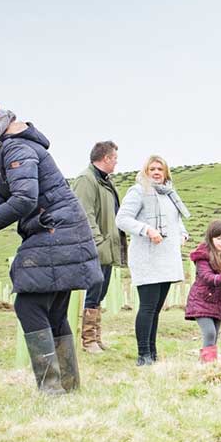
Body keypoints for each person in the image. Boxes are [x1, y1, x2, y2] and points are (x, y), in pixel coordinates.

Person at [0, 103, 99, 395]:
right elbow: (8, 198)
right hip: (57, 228)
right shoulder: (2, 150)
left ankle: (52, 390)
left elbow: (24, 200)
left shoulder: (15, 149)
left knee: (28, 305)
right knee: (54, 310)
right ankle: (68, 388)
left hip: (57, 229)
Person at [115, 155, 190, 366]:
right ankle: (143, 354)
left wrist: (182, 234)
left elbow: (175, 221)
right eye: (152, 169)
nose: (156, 172)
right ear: (146, 171)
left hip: (167, 257)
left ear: (166, 172)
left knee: (156, 309)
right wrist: (146, 229)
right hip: (147, 257)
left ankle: (153, 353)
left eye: (160, 169)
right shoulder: (139, 191)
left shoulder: (170, 194)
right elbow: (122, 219)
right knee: (147, 307)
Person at [71, 140, 126, 354]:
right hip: (95, 247)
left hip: (106, 246)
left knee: (99, 292)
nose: (116, 163)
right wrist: (97, 242)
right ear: (106, 158)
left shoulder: (103, 180)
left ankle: (96, 336)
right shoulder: (87, 179)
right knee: (93, 291)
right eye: (115, 159)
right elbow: (85, 214)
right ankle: (87, 340)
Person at [185, 220, 221, 363]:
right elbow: (207, 277)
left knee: (214, 336)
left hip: (218, 302)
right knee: (209, 333)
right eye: (219, 238)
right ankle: (208, 367)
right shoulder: (203, 256)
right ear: (211, 238)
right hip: (201, 300)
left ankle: (205, 364)